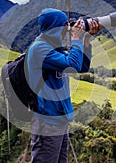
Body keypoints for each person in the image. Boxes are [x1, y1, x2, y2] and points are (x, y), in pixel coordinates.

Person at [26, 8, 100, 163]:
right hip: (47, 122)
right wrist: (75, 39)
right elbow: (72, 63)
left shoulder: (54, 48)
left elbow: (80, 67)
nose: (67, 27)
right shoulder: (39, 49)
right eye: (63, 24)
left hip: (59, 120)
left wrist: (85, 41)